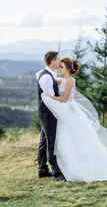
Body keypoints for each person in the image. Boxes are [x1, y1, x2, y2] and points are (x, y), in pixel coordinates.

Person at [41, 57, 107, 183]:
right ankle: (66, 168)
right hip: (64, 114)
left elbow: (64, 99)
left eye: (62, 67)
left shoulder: (70, 81)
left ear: (68, 69)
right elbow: (50, 79)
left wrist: (49, 97)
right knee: (64, 141)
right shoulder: (64, 80)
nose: (59, 69)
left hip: (69, 113)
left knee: (74, 141)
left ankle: (79, 169)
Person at [37, 51, 65, 181]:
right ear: (53, 62)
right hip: (48, 114)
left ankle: (42, 169)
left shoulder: (49, 75)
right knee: (51, 143)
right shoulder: (47, 77)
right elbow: (50, 100)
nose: (60, 61)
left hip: (46, 113)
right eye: (58, 59)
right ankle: (56, 173)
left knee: (44, 141)